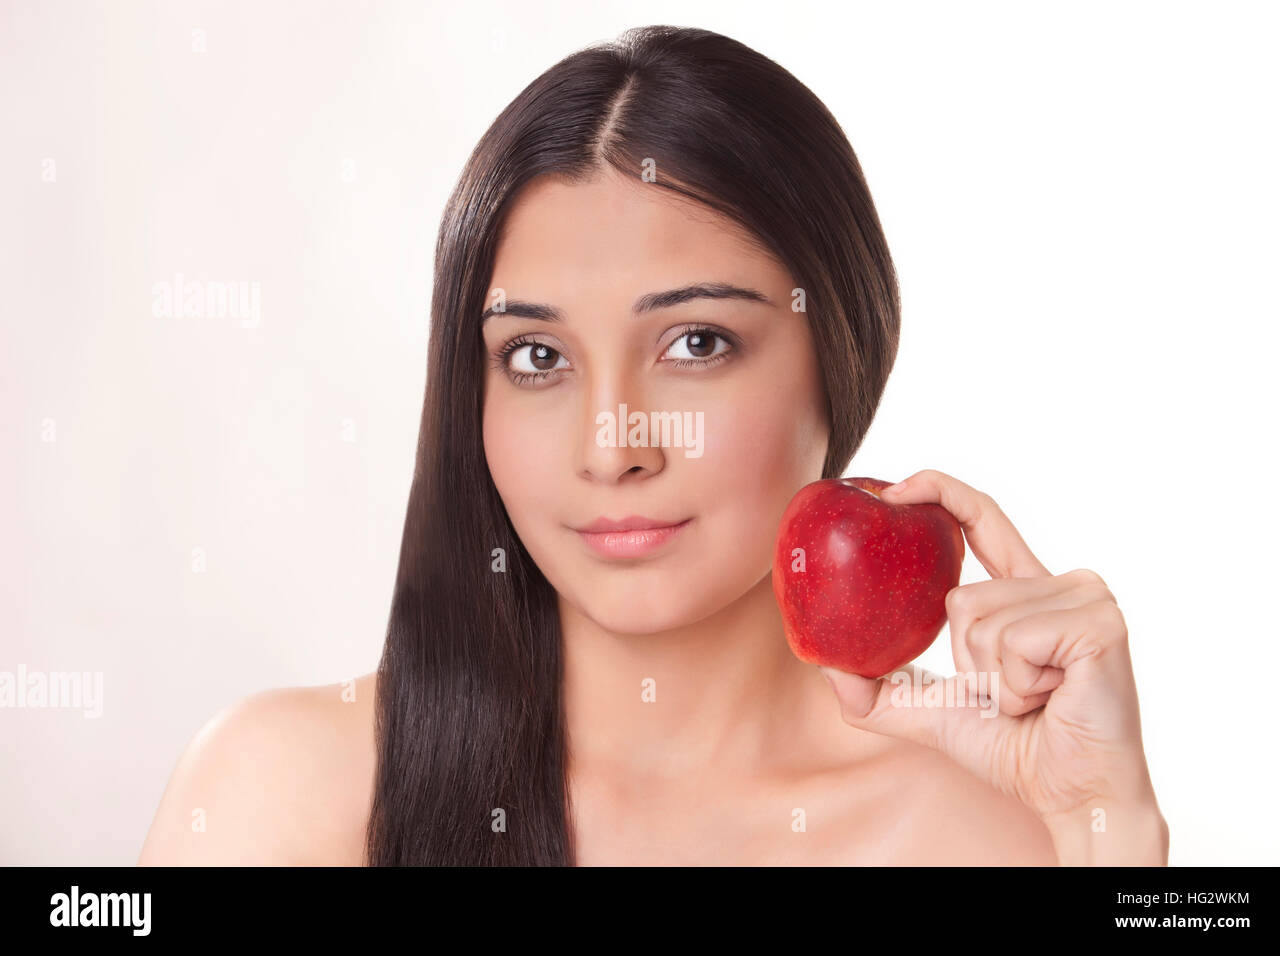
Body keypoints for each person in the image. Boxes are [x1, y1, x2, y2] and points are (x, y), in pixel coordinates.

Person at [139, 25, 1167, 866]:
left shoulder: (991, 836)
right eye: (537, 356)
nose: (612, 444)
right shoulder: (276, 792)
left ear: (841, 359)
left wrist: (1100, 828)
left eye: (696, 341)